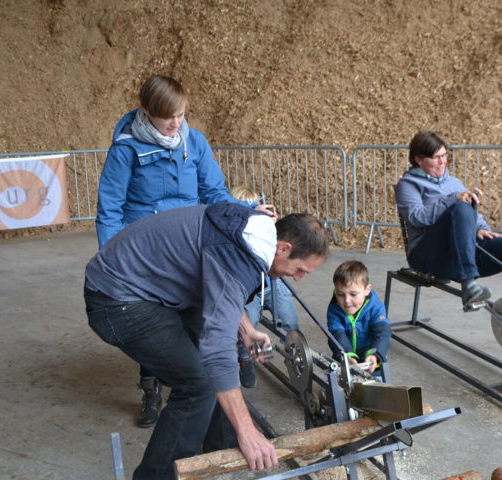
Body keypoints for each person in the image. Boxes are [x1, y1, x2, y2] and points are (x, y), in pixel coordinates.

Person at [84, 203, 330, 478]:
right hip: (115, 298)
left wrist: (245, 329)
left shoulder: (252, 229)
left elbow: (220, 287)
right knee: (198, 384)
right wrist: (248, 430)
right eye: (300, 269)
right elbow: (217, 349)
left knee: (218, 365)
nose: (298, 278)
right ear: (283, 248)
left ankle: (222, 450)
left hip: (149, 286)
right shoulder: (241, 256)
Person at [95, 75, 276, 427]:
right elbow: (110, 209)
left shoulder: (194, 142)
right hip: (147, 251)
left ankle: (207, 394)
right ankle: (151, 387)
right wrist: (112, 259)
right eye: (168, 117)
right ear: (146, 111)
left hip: (190, 242)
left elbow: (215, 192)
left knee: (201, 313)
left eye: (180, 115)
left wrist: (247, 211)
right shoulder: (125, 150)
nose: (176, 123)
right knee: (156, 319)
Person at [394, 131, 502, 318]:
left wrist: (481, 228)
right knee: (459, 208)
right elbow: (416, 217)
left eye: (444, 155)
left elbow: (470, 214)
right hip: (428, 255)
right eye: (436, 157)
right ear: (419, 159)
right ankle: (469, 284)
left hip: (460, 254)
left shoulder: (454, 183)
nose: (442, 162)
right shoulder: (408, 184)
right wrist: (453, 199)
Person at [228, 185, 299, 389]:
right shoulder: (234, 232)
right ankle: (245, 357)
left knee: (289, 316)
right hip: (250, 286)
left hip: (271, 283)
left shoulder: (267, 229)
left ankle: (295, 352)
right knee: (247, 320)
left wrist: (273, 225)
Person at [327, 260, 391, 377]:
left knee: (377, 385)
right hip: (345, 359)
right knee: (340, 385)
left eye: (353, 294)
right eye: (340, 294)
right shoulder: (334, 308)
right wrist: (347, 355)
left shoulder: (376, 307)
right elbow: (337, 335)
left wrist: (375, 354)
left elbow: (382, 333)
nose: (347, 301)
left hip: (371, 360)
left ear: (367, 290)